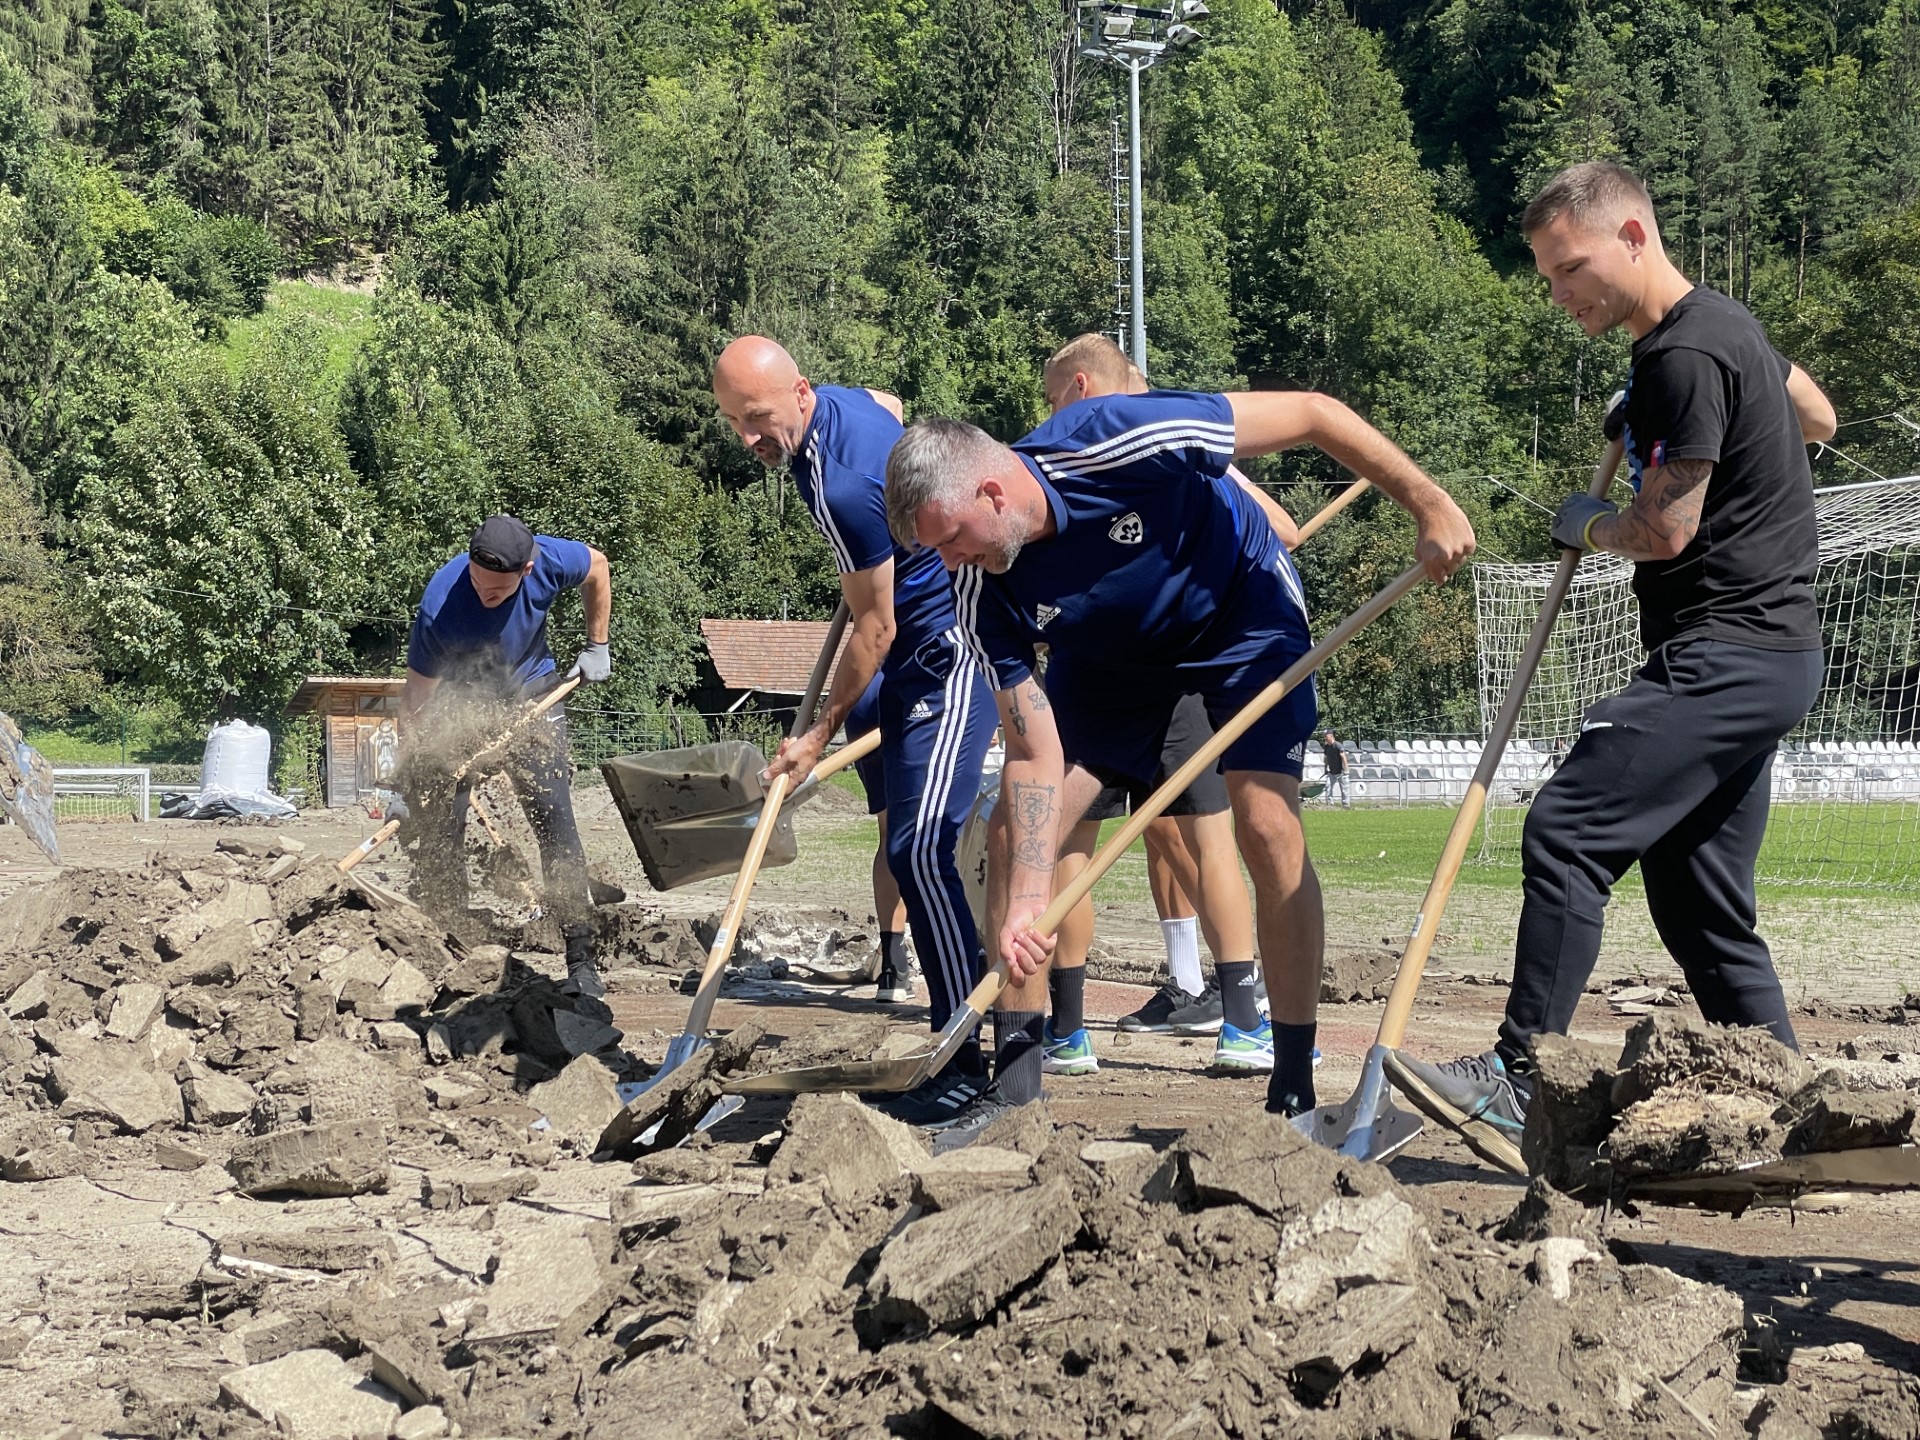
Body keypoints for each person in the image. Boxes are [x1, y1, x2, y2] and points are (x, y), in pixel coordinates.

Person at [1385, 162, 1838, 1171]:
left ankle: (1517, 1083)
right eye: (1548, 277)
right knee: (1698, 903)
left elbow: (1665, 532)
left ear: (1635, 234)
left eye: (1570, 268)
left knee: (1568, 827)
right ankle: (1795, 1127)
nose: (1560, 294)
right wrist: (1657, 419)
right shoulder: (1725, 331)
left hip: (1727, 646)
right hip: (1769, 653)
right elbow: (1818, 417)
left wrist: (1586, 520)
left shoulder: (1683, 353)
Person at [884, 384, 1474, 1148]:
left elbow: (1314, 414)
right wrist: (1027, 900)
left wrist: (1428, 504)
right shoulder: (977, 579)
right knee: (1012, 833)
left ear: (992, 491)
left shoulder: (1117, 438)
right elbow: (1032, 750)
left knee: (1264, 823)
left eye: (950, 537)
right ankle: (1016, 1095)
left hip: (1238, 613)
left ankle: (1291, 1084)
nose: (946, 559)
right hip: (1107, 664)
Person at [711, 338, 995, 1125]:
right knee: (910, 850)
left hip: (951, 652)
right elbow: (889, 405)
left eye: (759, 417)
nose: (747, 438)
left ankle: (966, 1056)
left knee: (920, 849)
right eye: (733, 420)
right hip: (914, 656)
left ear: (801, 393)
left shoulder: (842, 484)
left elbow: (874, 625)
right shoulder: (843, 412)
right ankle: (959, 1043)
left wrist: (817, 735)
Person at [1035, 335, 1293, 1075]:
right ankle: (1238, 1024)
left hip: (1132, 672)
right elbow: (1283, 529)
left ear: (1082, 389)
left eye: (1055, 401)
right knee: (1176, 841)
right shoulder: (1183, 445)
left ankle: (1071, 1031)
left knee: (1078, 840)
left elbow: (1278, 529)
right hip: (1143, 668)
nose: (1051, 417)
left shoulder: (1125, 448)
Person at [401, 514, 614, 997]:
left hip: (533, 695)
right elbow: (416, 697)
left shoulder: (549, 561)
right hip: (466, 708)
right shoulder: (441, 605)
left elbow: (598, 566)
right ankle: (450, 944)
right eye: (476, 582)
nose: (482, 594)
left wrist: (597, 644)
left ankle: (580, 956)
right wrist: (411, 775)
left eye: (496, 591)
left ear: (527, 570)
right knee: (440, 822)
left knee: (554, 820)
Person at [1320, 731, 1350, 807]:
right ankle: (1330, 803)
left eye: (1326, 737)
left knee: (1344, 789)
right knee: (1328, 786)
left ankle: (1346, 804)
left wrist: (1346, 769)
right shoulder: (1326, 747)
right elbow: (1326, 758)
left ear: (1331, 737)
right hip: (1331, 772)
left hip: (1341, 772)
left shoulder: (1338, 746)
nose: (1325, 739)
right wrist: (1325, 768)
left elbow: (1344, 757)